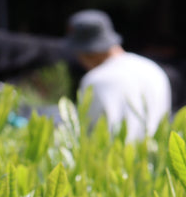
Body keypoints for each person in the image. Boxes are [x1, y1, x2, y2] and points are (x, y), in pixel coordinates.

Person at [65, 9, 171, 140]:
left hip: (116, 153)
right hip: (157, 151)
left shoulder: (95, 80)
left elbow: (88, 134)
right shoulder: (153, 69)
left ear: (85, 52)